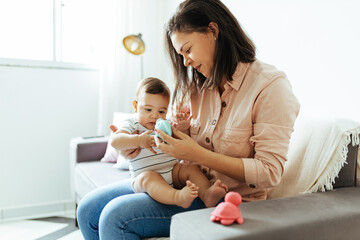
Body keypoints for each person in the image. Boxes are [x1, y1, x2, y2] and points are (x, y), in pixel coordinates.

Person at [77, 0, 300, 239]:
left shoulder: (269, 86)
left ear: (213, 31)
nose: (185, 62)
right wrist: (139, 145)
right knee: (88, 210)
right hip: (182, 181)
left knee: (115, 217)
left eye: (188, 50)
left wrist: (197, 154)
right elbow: (173, 137)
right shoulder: (198, 86)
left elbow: (270, 172)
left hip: (224, 199)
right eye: (180, 54)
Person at [109, 77, 227, 209]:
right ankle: (178, 197)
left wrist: (182, 127)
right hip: (145, 176)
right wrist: (138, 140)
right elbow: (115, 141)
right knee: (148, 178)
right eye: (148, 110)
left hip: (172, 171)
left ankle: (206, 194)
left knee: (191, 169)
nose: (155, 116)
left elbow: (181, 140)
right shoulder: (131, 123)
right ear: (136, 106)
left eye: (161, 111)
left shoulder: (166, 124)